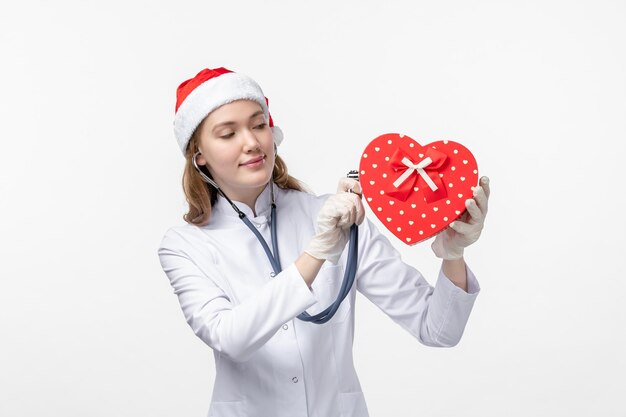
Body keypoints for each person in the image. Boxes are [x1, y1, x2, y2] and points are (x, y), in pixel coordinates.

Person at [158, 67, 490, 417]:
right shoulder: (184, 246)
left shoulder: (335, 218)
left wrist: (453, 254)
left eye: (259, 125)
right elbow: (230, 338)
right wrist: (316, 253)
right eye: (228, 133)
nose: (252, 142)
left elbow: (437, 330)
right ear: (200, 156)